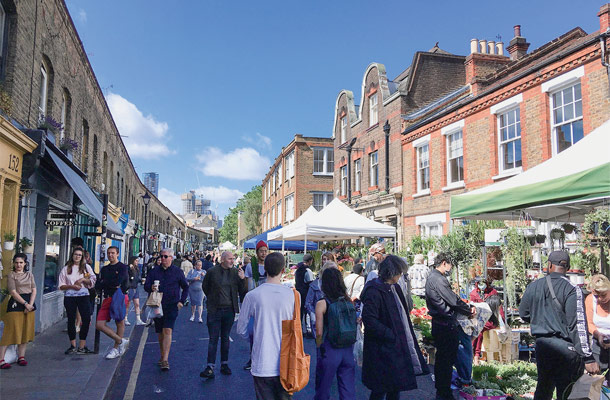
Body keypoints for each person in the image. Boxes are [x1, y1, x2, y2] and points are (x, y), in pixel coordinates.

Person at [519, 250, 598, 400]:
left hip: (543, 346)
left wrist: (541, 320)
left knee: (543, 387)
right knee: (568, 392)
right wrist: (588, 358)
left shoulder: (533, 286)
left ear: (549, 265)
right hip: (566, 349)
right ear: (567, 268)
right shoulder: (572, 289)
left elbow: (523, 314)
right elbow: (577, 326)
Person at [361, 255, 429, 400]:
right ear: (392, 272)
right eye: (399, 272)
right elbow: (370, 320)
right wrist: (391, 335)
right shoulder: (374, 291)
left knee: (395, 385)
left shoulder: (394, 288)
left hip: (394, 345)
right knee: (381, 388)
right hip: (381, 348)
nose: (401, 276)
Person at [237, 252, 294, 400]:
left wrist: (255, 338)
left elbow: (241, 329)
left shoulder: (253, 296)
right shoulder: (293, 295)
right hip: (287, 362)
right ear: (283, 270)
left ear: (265, 270)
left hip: (262, 361)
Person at [425, 252, 475, 400]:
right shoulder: (438, 279)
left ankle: (442, 391)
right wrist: (468, 309)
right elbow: (453, 300)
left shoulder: (433, 277)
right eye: (450, 264)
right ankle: (444, 392)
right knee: (446, 360)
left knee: (443, 359)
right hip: (445, 324)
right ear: (444, 263)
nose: (451, 267)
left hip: (441, 322)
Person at [200, 251, 247, 379]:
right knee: (213, 338)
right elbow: (205, 287)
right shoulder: (212, 272)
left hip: (229, 310)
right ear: (223, 260)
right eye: (230, 259)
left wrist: (243, 279)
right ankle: (210, 367)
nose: (233, 261)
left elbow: (243, 291)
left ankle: (224, 364)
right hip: (214, 310)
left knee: (225, 337)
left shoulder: (235, 273)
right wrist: (213, 299)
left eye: (233, 259)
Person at [314, 267, 357, 400]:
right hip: (348, 348)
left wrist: (318, 346)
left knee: (323, 387)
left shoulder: (322, 303)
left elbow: (319, 332)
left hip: (330, 349)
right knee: (347, 388)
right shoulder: (348, 300)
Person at [144, 248, 188, 371]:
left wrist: (181, 302)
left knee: (167, 330)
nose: (162, 259)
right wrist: (151, 287)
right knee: (160, 332)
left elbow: (185, 287)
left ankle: (165, 360)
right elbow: (146, 285)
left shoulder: (177, 272)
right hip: (157, 305)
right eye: (161, 256)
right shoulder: (154, 272)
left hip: (172, 305)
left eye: (165, 256)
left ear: (171, 258)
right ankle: (162, 354)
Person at [0, 254, 37, 369]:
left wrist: (30, 304)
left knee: (25, 331)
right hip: (16, 304)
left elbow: (34, 290)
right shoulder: (12, 275)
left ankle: (21, 357)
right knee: (10, 331)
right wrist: (25, 304)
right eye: (16, 262)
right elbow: (13, 292)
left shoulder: (29, 275)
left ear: (25, 263)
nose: (18, 265)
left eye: (21, 262)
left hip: (29, 305)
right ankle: (1, 359)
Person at [59, 247, 96, 355]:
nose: (77, 257)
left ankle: (82, 346)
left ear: (82, 257)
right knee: (71, 319)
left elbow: (92, 281)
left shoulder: (86, 268)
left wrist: (83, 279)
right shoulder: (66, 269)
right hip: (70, 297)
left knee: (86, 319)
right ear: (72, 255)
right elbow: (61, 286)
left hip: (83, 296)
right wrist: (72, 286)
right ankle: (73, 345)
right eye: (76, 254)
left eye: (80, 255)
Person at [95, 246, 130, 360]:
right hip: (107, 298)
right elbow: (98, 285)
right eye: (109, 253)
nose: (110, 255)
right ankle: (121, 341)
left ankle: (115, 349)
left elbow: (118, 282)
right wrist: (107, 283)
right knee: (99, 324)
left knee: (119, 323)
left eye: (113, 253)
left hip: (119, 297)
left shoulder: (122, 267)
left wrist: (105, 282)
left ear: (118, 254)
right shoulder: (105, 269)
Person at [470, 277, 504, 365]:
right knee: (478, 330)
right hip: (480, 319)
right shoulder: (473, 294)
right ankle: (475, 355)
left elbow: (499, 308)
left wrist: (502, 321)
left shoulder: (493, 292)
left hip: (491, 320)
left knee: (479, 329)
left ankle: (475, 356)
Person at [586, 274, 610, 377]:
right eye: (597, 295)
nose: (600, 299)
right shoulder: (590, 300)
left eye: (603, 295)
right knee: (598, 377)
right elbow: (589, 323)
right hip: (598, 341)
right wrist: (598, 335)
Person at [305, 262, 337, 336]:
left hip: (335, 321)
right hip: (321, 320)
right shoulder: (315, 285)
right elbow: (308, 303)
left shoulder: (338, 285)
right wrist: (314, 314)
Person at [295, 254, 315, 337]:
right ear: (310, 261)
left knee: (299, 312)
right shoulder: (308, 271)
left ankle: (299, 330)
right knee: (307, 312)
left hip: (298, 292)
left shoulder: (298, 270)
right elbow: (310, 283)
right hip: (306, 293)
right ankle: (308, 330)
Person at [125, 256, 145, 326]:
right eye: (136, 261)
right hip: (130, 288)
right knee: (128, 304)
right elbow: (128, 277)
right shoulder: (128, 268)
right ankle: (125, 318)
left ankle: (138, 319)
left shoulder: (136, 268)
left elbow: (136, 277)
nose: (137, 262)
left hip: (136, 288)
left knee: (137, 304)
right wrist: (130, 269)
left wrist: (141, 280)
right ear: (132, 261)